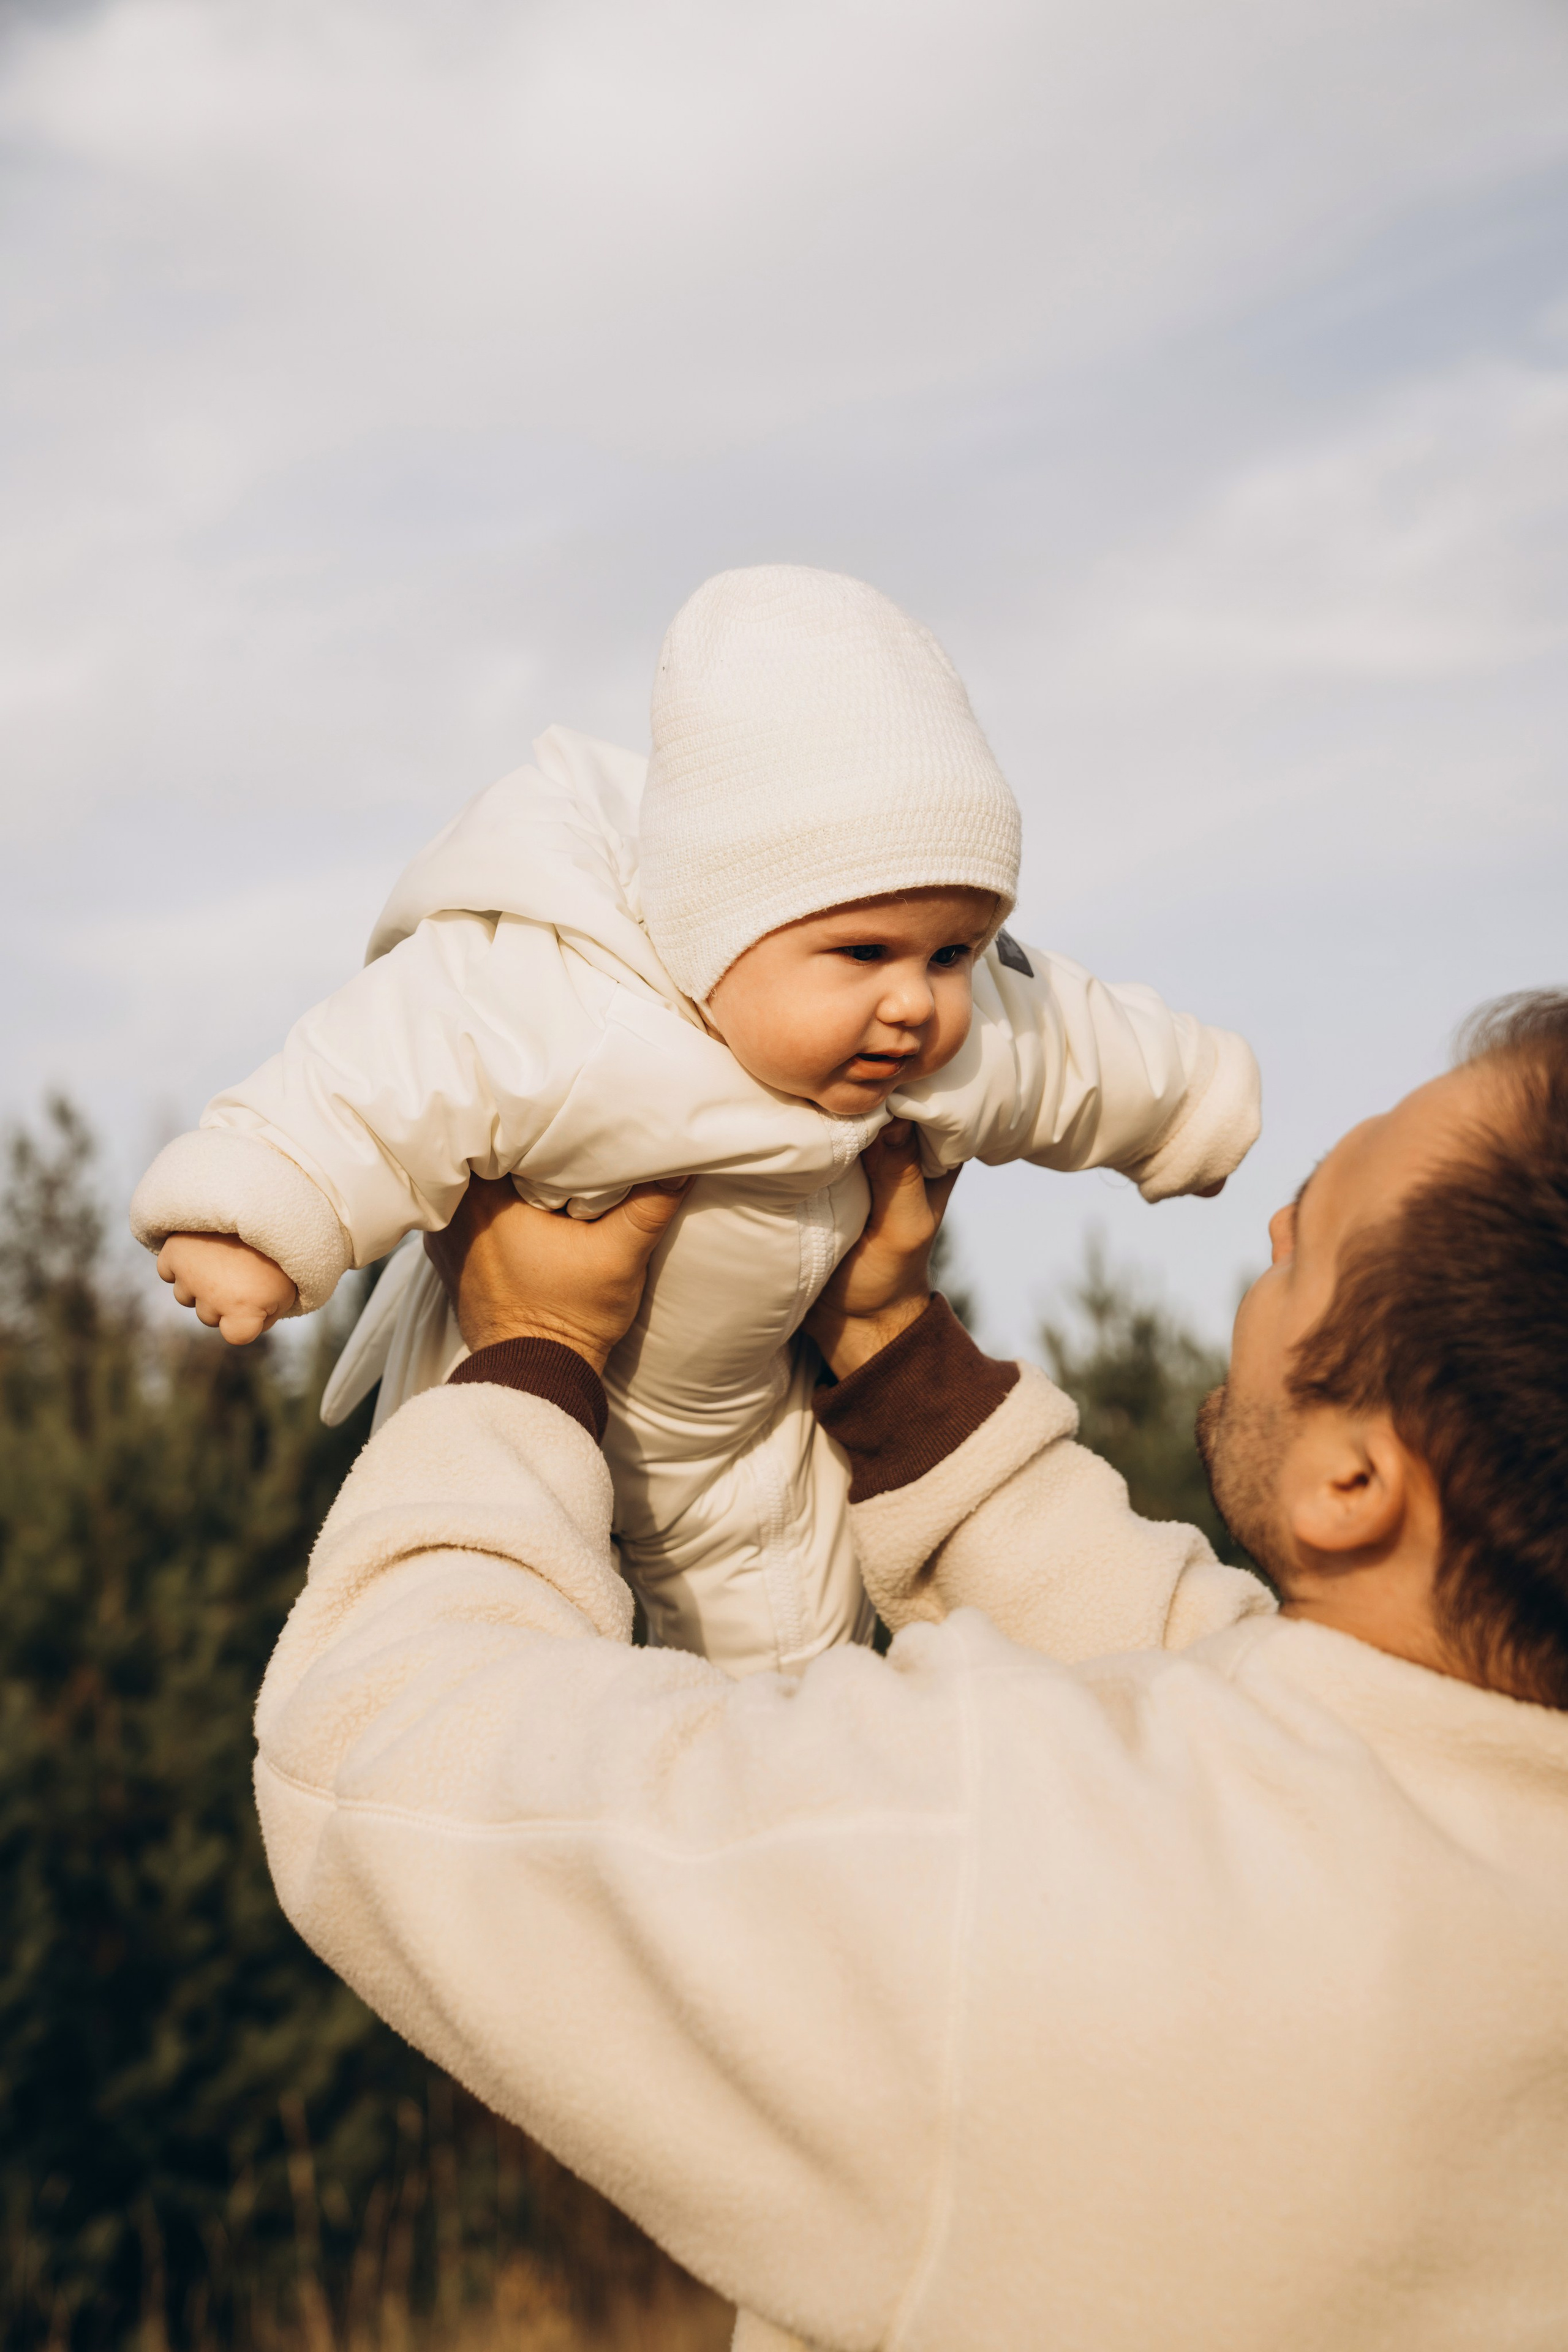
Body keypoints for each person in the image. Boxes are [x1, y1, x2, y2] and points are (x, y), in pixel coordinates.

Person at [254, 989, 1568, 2350]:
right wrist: (886, 1345)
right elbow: (1212, 1682)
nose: (1272, 1231)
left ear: (1352, 1481)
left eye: (1310, 1240)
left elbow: (390, 1743)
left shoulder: (1016, 1888)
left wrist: (526, 1351)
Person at [129, 565, 1258, 1676]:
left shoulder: (937, 1046)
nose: (917, 1002)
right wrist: (259, 1209)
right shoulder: (565, 997)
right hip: (519, 1363)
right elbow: (384, 1068)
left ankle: (771, 1791)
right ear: (713, 927)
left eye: (952, 951)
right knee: (470, 1622)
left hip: (752, 1420)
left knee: (781, 1666)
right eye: (863, 952)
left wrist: (1194, 1108)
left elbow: (1075, 1049)